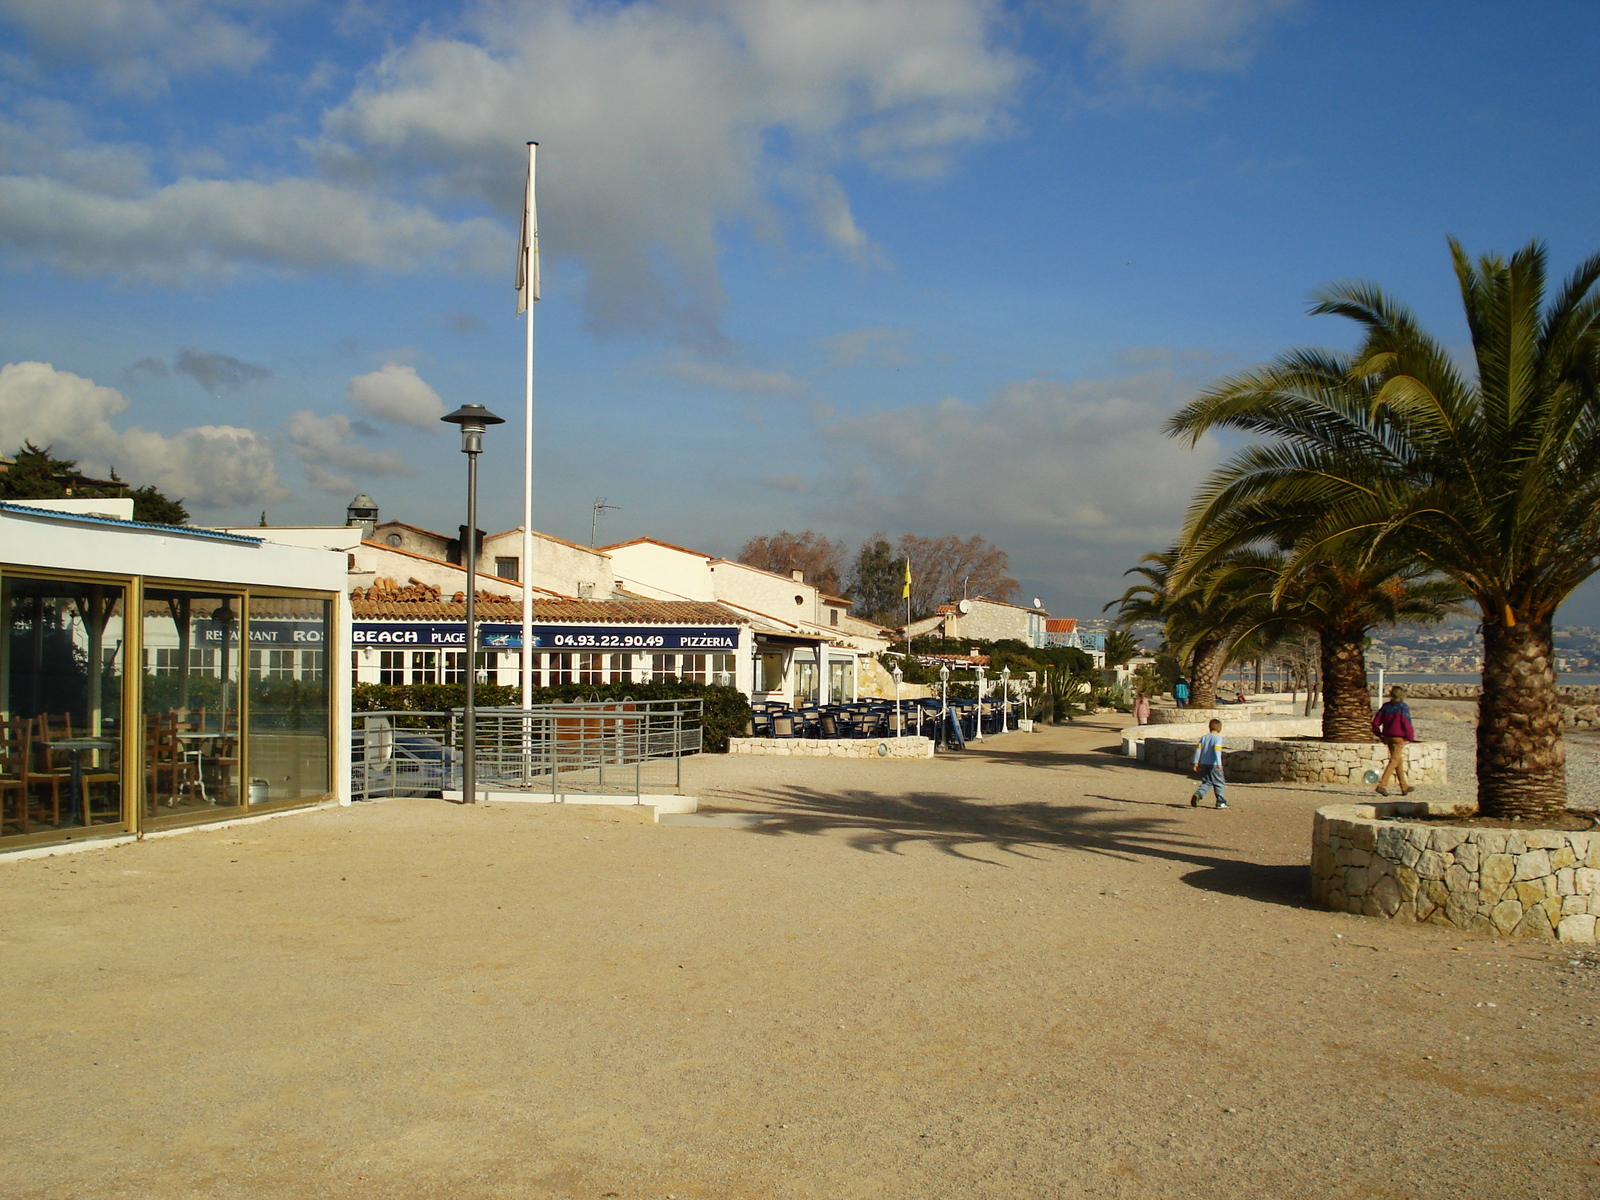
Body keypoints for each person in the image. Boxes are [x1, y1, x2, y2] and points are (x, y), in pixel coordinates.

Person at [1371, 685, 1416, 796]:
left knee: (1398, 761)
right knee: (1394, 761)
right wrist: (1410, 738)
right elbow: (1407, 724)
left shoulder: (1386, 707)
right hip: (1397, 738)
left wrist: (1379, 734)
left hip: (1387, 736)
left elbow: (1375, 722)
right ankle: (1382, 785)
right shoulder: (1402, 707)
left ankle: (1404, 787)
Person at [1191, 717, 1228, 809]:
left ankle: (1199, 794)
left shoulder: (1204, 738)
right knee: (1219, 783)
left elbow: (1198, 750)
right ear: (1219, 728)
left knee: (1207, 782)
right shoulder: (1218, 738)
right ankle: (1221, 802)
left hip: (1204, 763)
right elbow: (1217, 751)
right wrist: (1219, 763)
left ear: (1209, 727)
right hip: (1214, 764)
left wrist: (1196, 762)